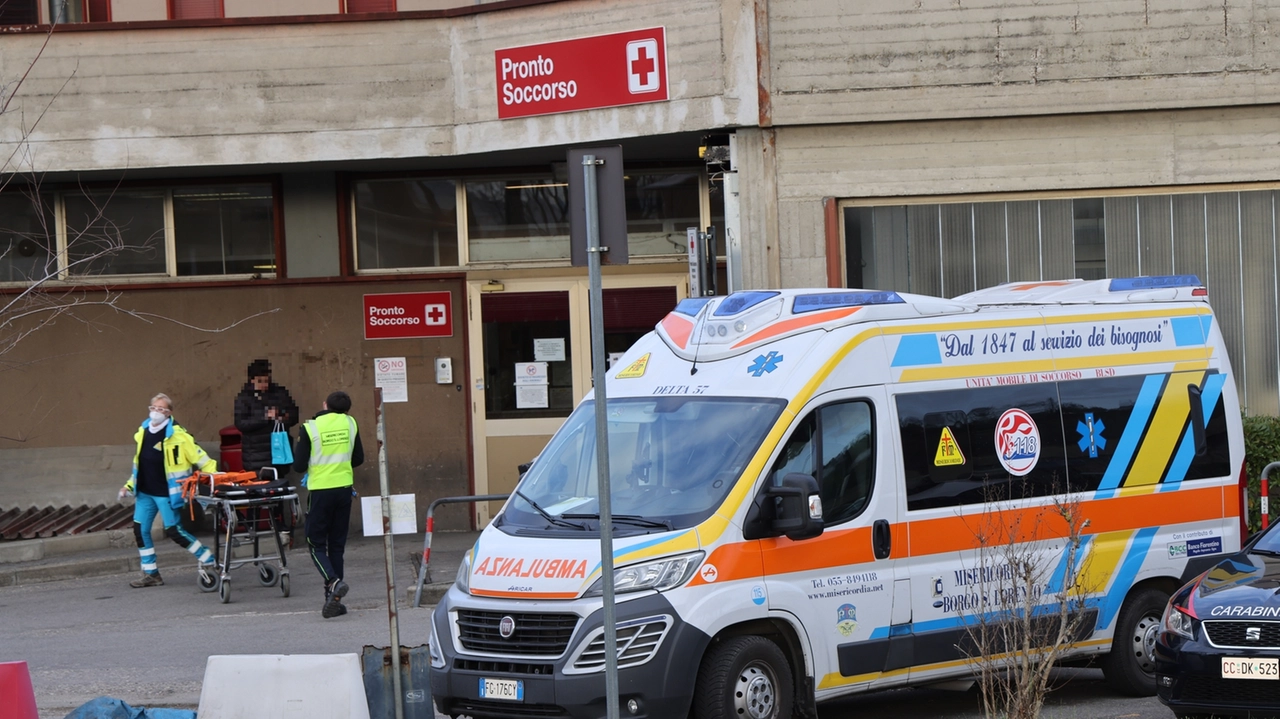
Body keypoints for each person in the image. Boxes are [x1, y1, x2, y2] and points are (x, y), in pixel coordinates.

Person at [118, 393, 218, 588]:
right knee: (140, 530)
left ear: (169, 413)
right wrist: (129, 486)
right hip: (145, 492)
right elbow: (140, 465)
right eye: (153, 408)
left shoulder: (179, 436)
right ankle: (151, 573)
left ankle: (208, 559)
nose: (156, 412)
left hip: (166, 493)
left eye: (161, 409)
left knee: (174, 531)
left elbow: (203, 460)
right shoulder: (143, 432)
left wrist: (216, 479)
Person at [293, 391, 364, 618]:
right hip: (344, 490)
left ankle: (333, 582)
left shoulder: (310, 427)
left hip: (320, 491)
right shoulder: (351, 423)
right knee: (336, 546)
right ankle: (333, 601)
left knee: (315, 544)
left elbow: (299, 465)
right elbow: (358, 458)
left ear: (325, 404)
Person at [233, 359, 299, 479]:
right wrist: (265, 417)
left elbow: (294, 415)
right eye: (260, 381)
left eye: (266, 381)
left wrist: (283, 416)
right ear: (251, 380)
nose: (264, 384)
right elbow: (241, 424)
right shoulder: (244, 398)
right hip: (256, 454)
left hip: (279, 451)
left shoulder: (280, 393)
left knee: (280, 487)